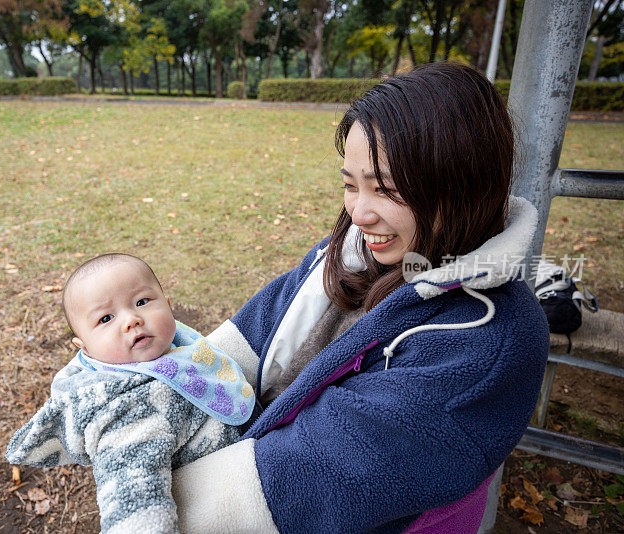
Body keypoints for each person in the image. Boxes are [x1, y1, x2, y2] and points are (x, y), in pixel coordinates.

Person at [171, 63, 550, 533]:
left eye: (386, 189)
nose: (359, 213)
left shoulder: (485, 343)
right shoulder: (353, 254)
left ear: (462, 183)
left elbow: (299, 479)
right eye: (351, 184)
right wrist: (148, 394)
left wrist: (147, 502)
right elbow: (252, 334)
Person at [5, 253, 254, 534]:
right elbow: (134, 503)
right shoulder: (127, 411)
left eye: (142, 302)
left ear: (169, 306)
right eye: (106, 318)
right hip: (219, 497)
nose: (132, 320)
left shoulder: (176, 346)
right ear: (84, 347)